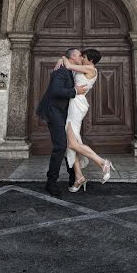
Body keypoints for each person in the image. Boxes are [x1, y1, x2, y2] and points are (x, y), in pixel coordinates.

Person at [55, 48, 115, 193]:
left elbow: (69, 66)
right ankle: (79, 177)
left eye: (85, 57)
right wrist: (61, 59)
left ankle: (102, 162)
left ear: (91, 60)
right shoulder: (84, 68)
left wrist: (63, 56)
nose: (82, 58)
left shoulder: (90, 68)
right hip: (74, 103)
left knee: (73, 143)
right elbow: (70, 68)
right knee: (71, 143)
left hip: (77, 104)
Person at [36, 48, 87, 197]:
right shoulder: (61, 71)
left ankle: (73, 177)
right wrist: (75, 91)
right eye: (79, 56)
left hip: (65, 113)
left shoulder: (72, 69)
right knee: (60, 146)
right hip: (54, 111)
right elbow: (55, 91)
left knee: (69, 144)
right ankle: (51, 182)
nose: (81, 58)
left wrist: (61, 58)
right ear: (72, 57)